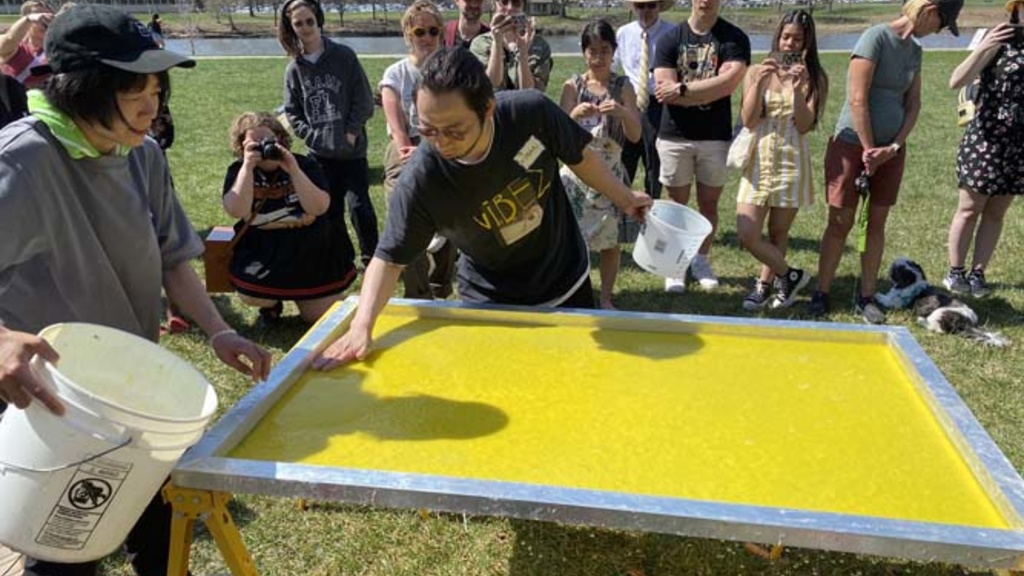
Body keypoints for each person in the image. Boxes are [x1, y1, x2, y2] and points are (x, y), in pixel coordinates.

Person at [0, 5, 271, 576]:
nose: (152, 105)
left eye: (156, 87)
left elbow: (174, 259)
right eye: (133, 89)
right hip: (57, 405)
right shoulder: (21, 163)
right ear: (83, 88)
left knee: (163, 524)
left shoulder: (142, 155)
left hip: (136, 392)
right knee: (65, 551)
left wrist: (218, 330)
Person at [312, 47, 651, 370]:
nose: (441, 143)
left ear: (488, 108)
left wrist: (624, 197)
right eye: (428, 131)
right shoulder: (422, 180)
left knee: (572, 382)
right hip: (490, 300)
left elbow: (580, 157)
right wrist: (362, 326)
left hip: (564, 279)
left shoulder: (530, 113)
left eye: (455, 131)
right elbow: (388, 259)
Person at [806, 0, 963, 323]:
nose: (939, 31)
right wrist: (869, 150)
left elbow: (914, 104)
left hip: (890, 153)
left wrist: (893, 146)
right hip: (852, 146)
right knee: (840, 221)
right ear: (930, 10)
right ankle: (821, 291)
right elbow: (857, 97)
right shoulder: (875, 37)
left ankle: (866, 296)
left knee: (876, 223)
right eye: (942, 23)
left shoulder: (915, 51)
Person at [222, 112, 357, 324]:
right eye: (253, 143)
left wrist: (293, 169)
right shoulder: (239, 171)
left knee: (320, 317)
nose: (263, 149)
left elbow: (319, 207)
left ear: (281, 140)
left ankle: (308, 300)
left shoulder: (304, 165)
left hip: (309, 250)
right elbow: (236, 210)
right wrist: (248, 166)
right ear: (241, 146)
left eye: (268, 141)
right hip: (264, 251)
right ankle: (272, 304)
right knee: (252, 294)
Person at [653, 0, 750, 293]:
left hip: (714, 136)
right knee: (676, 204)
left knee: (709, 204)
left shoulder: (734, 38)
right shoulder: (670, 39)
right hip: (674, 136)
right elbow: (663, 91)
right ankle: (674, 265)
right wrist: (707, 91)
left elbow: (728, 84)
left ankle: (701, 259)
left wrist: (683, 89)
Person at [736, 10, 827, 311]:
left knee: (778, 232)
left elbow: (803, 125)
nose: (789, 44)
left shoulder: (815, 77)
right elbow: (748, 120)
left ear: (807, 43)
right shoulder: (755, 72)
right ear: (777, 37)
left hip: (791, 161)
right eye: (785, 37)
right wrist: (760, 84)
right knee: (748, 233)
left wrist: (799, 91)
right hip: (758, 160)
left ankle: (766, 285)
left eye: (796, 39)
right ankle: (790, 275)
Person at [279, 0, 378, 269]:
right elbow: (292, 112)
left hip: (352, 151)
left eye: (310, 21)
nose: (306, 28)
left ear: (319, 20)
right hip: (320, 155)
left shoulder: (344, 56)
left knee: (359, 207)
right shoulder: (294, 70)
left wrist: (351, 131)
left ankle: (373, 259)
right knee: (330, 211)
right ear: (291, 27)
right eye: (298, 23)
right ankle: (342, 259)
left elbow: (364, 100)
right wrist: (312, 136)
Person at [559, 20, 641, 310]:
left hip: (610, 170)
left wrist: (622, 112)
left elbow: (636, 134)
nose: (598, 57)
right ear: (584, 53)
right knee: (571, 240)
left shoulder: (623, 86)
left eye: (605, 50)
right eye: (592, 51)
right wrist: (574, 116)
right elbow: (558, 136)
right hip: (578, 172)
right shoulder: (573, 85)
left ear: (614, 51)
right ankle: (573, 292)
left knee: (610, 240)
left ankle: (606, 296)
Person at [943, 8, 1023, 298]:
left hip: (1018, 144)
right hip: (986, 140)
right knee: (969, 208)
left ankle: (978, 274)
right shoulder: (998, 39)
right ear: (1016, 9)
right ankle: (955, 272)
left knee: (997, 212)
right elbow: (956, 80)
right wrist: (985, 47)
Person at [381, 0, 456, 300]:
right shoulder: (396, 72)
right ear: (408, 34)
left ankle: (442, 285)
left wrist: (435, 148)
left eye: (433, 31)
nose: (426, 38)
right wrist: (406, 148)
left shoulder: (450, 69)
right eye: (419, 31)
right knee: (405, 218)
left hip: (444, 142)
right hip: (405, 146)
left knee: (453, 214)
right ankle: (419, 293)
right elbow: (394, 115)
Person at [615, 0, 674, 202]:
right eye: (640, 6)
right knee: (624, 160)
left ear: (659, 6)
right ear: (633, 7)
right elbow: (612, 68)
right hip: (629, 103)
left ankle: (652, 208)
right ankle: (622, 210)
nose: (646, 11)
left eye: (651, 5)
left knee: (654, 164)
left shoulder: (672, 33)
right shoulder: (623, 33)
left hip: (658, 104)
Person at [470, 0, 552, 92]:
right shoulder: (480, 43)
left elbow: (530, 92)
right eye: (504, 2)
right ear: (494, 6)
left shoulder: (540, 45)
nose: (510, 8)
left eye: (516, 3)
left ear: (523, 8)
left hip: (526, 105)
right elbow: (492, 84)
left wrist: (523, 53)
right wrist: (497, 42)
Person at [0, 1, 54, 90]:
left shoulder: (55, 49)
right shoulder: (17, 47)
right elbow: (9, 40)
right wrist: (29, 19)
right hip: (13, 101)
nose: (44, 23)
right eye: (39, 17)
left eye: (48, 17)